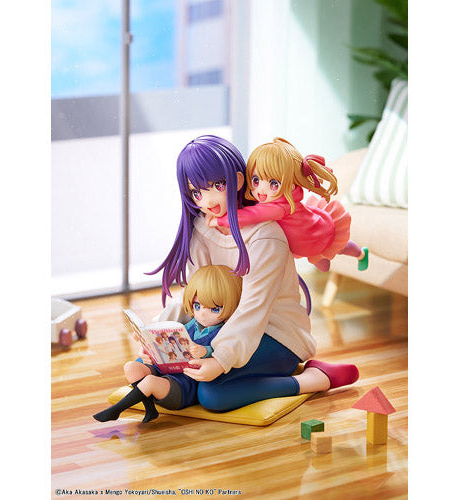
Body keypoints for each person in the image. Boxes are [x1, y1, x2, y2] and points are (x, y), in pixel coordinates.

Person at [147, 135, 359, 413]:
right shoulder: (202, 229)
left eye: (217, 186)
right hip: (221, 326)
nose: (208, 200)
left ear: (237, 180)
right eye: (197, 193)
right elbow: (196, 295)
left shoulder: (265, 236)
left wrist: (221, 359)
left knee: (213, 395)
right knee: (165, 367)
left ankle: (315, 378)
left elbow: (253, 308)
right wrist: (158, 334)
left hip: (277, 333)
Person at [93, 265, 243, 423]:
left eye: (215, 309)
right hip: (166, 370)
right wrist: (148, 340)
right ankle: (150, 409)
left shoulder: (223, 332)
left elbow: (222, 351)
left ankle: (116, 411)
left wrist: (205, 351)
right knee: (131, 367)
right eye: (197, 306)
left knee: (149, 382)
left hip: (184, 384)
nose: (202, 314)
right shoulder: (192, 324)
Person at [207, 137, 368, 272]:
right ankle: (326, 255)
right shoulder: (274, 200)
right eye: (256, 180)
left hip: (316, 234)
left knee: (340, 249)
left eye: (273, 184)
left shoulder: (278, 208)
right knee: (322, 263)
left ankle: (361, 254)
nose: (261, 190)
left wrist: (220, 220)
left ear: (290, 185)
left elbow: (250, 215)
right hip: (305, 237)